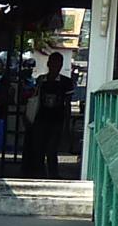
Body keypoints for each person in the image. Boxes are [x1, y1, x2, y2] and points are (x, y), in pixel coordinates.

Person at [24, 49, 79, 178]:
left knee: (52, 150)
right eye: (53, 63)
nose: (55, 67)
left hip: (57, 120)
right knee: (39, 149)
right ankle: (39, 174)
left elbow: (67, 104)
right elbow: (34, 99)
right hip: (40, 119)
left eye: (58, 64)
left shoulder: (66, 82)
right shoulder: (41, 80)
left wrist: (66, 123)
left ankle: (53, 175)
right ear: (48, 64)